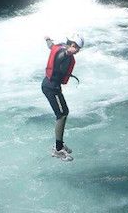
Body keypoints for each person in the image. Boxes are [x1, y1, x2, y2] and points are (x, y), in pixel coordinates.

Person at [41, 33, 83, 162]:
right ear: (72, 45)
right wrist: (68, 54)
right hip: (51, 88)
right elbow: (62, 57)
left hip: (51, 86)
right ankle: (58, 149)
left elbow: (50, 46)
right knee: (61, 115)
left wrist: (47, 38)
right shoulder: (64, 54)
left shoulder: (58, 47)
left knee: (65, 112)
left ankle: (59, 143)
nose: (77, 52)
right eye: (77, 49)